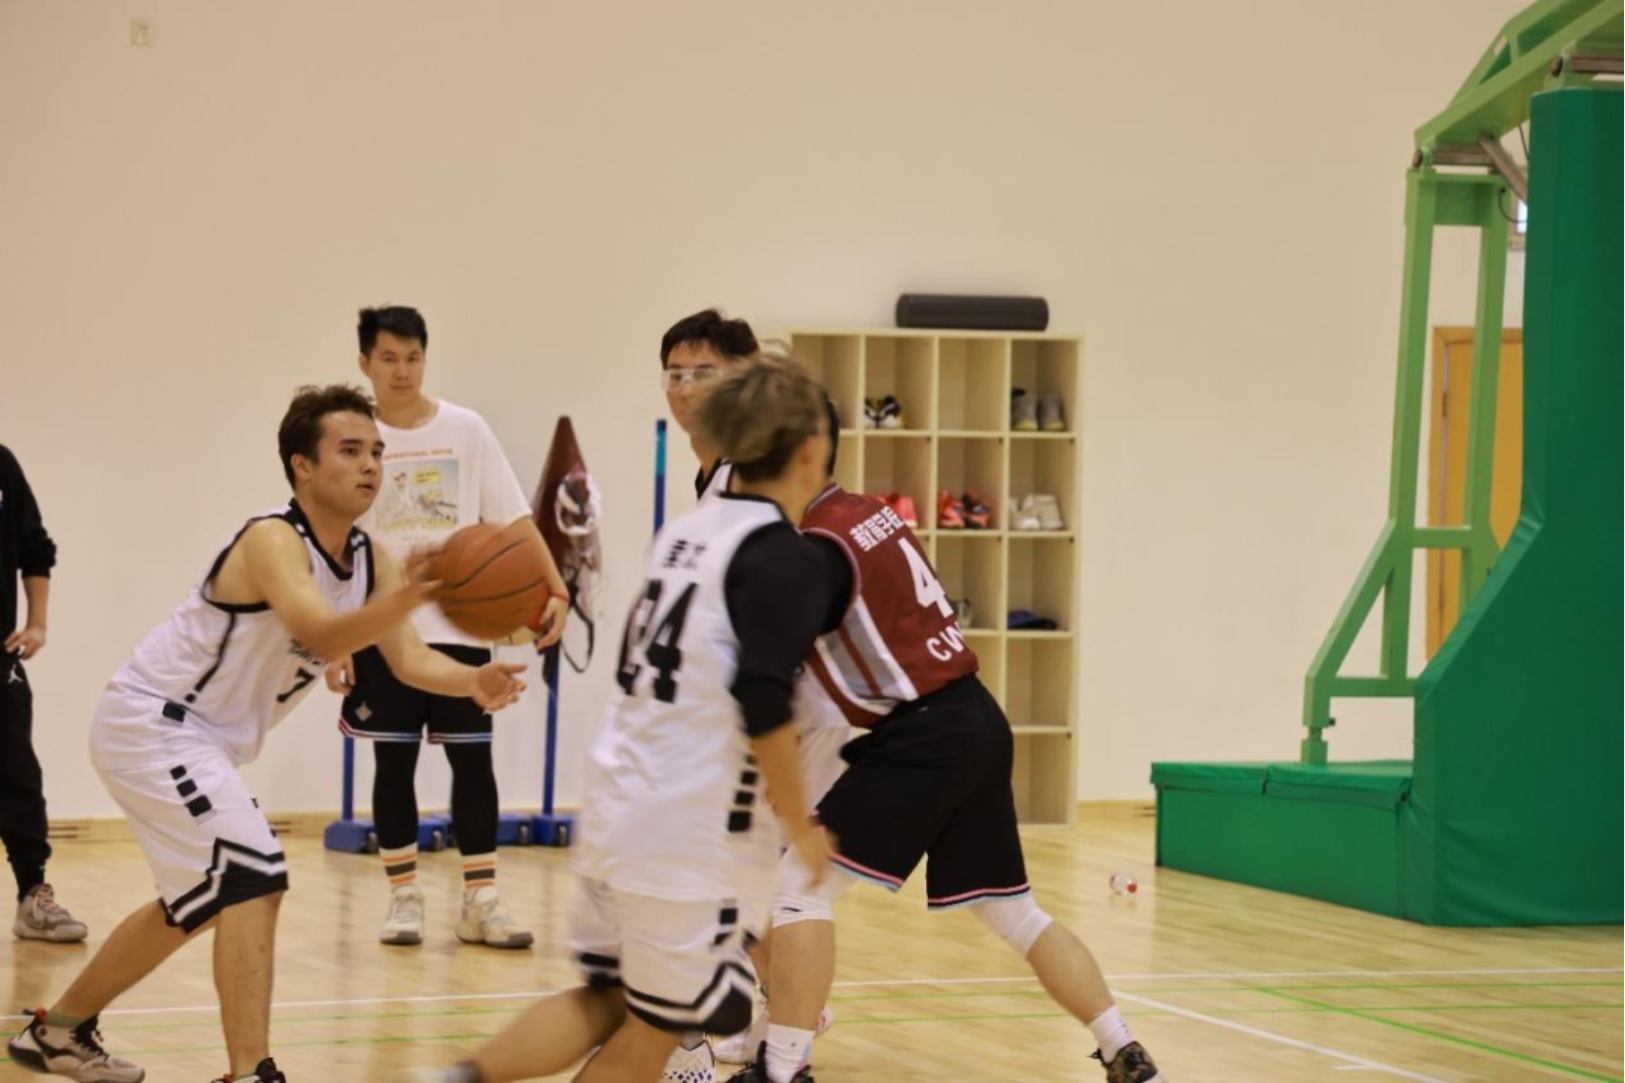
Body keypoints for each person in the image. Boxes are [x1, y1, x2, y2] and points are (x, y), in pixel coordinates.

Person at [7, 386, 527, 1083]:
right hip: (153, 721)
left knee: (199, 902)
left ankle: (58, 1031)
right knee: (254, 875)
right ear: (302, 466)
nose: (371, 465)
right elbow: (320, 631)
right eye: (351, 450)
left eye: (377, 452)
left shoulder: (373, 559)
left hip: (199, 741)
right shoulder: (273, 539)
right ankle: (252, 1072)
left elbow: (409, 659)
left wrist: (472, 680)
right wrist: (409, 596)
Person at [398, 356, 841, 1083]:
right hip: (688, 829)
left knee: (610, 1000)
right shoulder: (784, 557)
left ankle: (456, 1079)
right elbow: (762, 700)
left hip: (616, 804)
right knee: (659, 1029)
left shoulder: (685, 534)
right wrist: (801, 825)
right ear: (811, 449)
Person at [730, 481, 1170, 1083]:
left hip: (923, 734)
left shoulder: (821, 545)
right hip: (978, 716)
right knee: (1016, 914)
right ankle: (1124, 1049)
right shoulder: (871, 512)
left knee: (796, 890)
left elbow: (783, 657)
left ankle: (781, 1070)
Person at [333, 305, 568, 950]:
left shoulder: (465, 428)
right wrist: (339, 637)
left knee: (473, 759)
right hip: (382, 628)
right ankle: (404, 897)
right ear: (364, 363)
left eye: (412, 358)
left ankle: (480, 900)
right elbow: (337, 544)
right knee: (394, 760)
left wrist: (555, 586)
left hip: (462, 624)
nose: (401, 371)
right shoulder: (354, 439)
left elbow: (514, 520)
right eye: (388, 358)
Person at [2, 444, 87, 943]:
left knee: (18, 777)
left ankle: (33, 895)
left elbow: (35, 547)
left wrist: (37, 623)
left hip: (0, 663)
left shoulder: (1, 464)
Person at [659, 308, 759, 501]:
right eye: (676, 376)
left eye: (704, 376)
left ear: (742, 382)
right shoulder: (712, 470)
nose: (686, 391)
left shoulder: (754, 478)